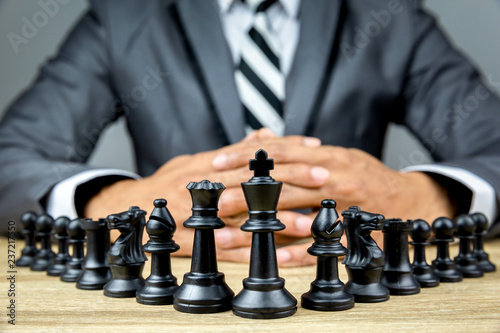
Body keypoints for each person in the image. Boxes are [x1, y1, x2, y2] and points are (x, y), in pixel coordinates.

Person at [1, 0, 499, 266]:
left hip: (352, 293)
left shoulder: (391, 14)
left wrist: (423, 196)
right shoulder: (123, 16)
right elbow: (11, 161)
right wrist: (118, 206)